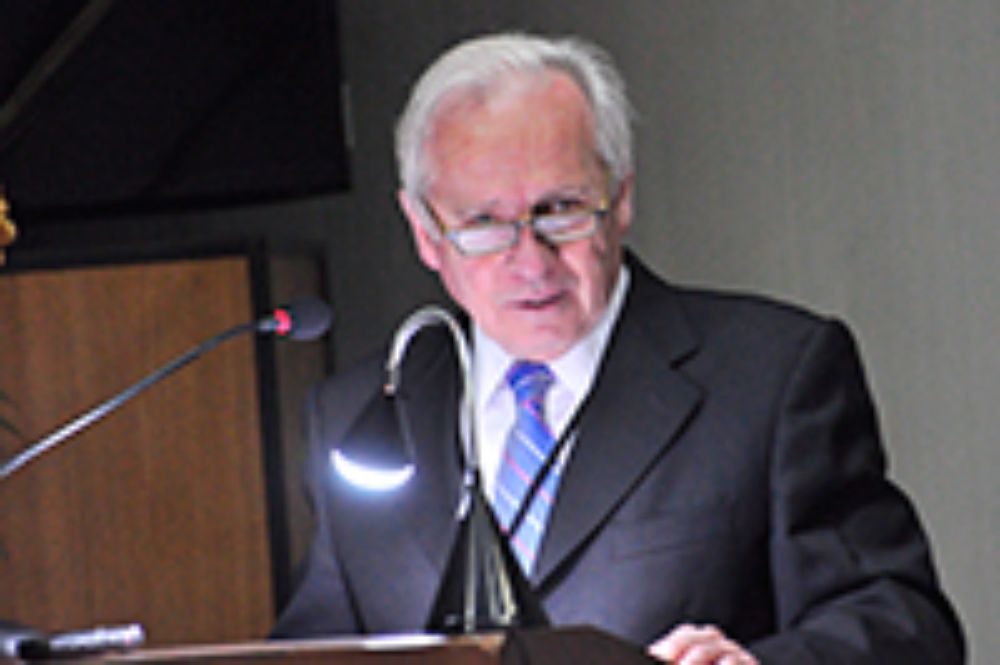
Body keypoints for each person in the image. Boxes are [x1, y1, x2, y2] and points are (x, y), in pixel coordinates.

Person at [273, 32, 964, 664]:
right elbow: (316, 649)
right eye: (484, 223)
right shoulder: (359, 417)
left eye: (559, 210)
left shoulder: (772, 374)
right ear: (424, 231)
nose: (530, 262)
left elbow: (906, 625)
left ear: (621, 197)